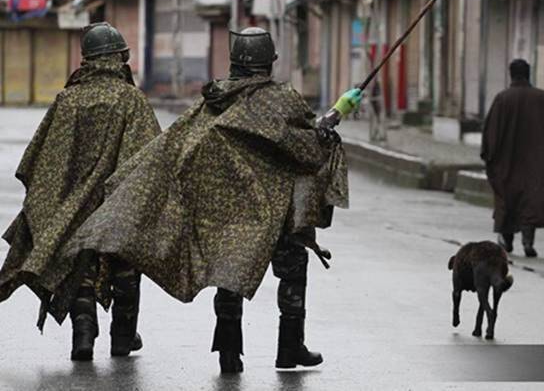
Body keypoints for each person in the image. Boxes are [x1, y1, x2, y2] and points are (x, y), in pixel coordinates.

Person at [64, 27, 360, 374]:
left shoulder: (214, 101)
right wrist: (335, 116)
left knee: (228, 273)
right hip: (275, 213)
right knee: (294, 268)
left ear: (234, 61)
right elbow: (308, 147)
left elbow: (178, 145)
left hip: (228, 215)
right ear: (268, 63)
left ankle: (229, 353)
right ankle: (290, 346)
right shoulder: (281, 99)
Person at [0, 22, 160, 360]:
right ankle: (123, 338)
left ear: (86, 59)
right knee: (126, 267)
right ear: (119, 57)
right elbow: (150, 159)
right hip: (119, 204)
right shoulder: (132, 99)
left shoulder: (67, 100)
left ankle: (83, 335)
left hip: (74, 206)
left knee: (79, 269)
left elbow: (40, 161)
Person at [481, 59, 544, 258]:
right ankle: (528, 240)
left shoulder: (502, 99)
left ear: (511, 74)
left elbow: (491, 133)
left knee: (507, 201)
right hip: (535, 162)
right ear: (529, 74)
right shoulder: (542, 98)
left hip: (507, 163)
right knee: (529, 203)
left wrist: (489, 157)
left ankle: (506, 239)